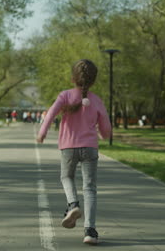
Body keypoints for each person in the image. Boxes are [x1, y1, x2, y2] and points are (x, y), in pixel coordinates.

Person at [36, 59, 111, 245]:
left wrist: (42, 133)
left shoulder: (65, 96)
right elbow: (106, 128)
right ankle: (90, 231)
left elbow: (51, 114)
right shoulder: (96, 100)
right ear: (93, 81)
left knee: (66, 177)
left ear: (73, 78)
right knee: (90, 188)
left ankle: (73, 204)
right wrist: (103, 134)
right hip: (90, 148)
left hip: (68, 147)